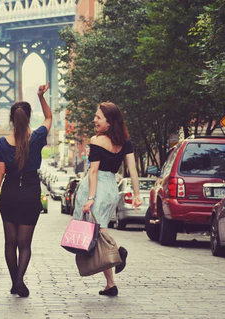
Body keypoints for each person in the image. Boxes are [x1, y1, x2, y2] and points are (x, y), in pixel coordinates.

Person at [0, 83, 52, 297]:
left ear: (12, 119)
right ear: (29, 118)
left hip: (10, 194)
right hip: (30, 193)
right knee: (25, 244)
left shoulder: (2, 143)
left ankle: (15, 281)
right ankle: (20, 280)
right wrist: (41, 96)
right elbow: (49, 118)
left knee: (10, 242)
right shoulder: (38, 137)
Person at [73, 102, 142, 297]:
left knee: (99, 233)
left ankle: (119, 251)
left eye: (98, 118)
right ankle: (110, 284)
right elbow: (133, 169)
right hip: (111, 188)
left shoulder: (96, 141)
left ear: (109, 122)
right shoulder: (125, 142)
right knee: (99, 231)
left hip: (97, 189)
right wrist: (136, 195)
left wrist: (91, 198)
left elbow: (93, 171)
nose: (94, 120)